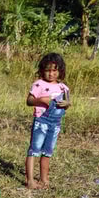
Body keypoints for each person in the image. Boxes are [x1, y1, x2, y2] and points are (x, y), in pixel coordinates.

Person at [25, 53, 71, 189]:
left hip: (55, 124)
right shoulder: (39, 84)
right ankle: (30, 181)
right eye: (48, 70)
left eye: (54, 70)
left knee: (48, 151)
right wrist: (41, 100)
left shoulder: (63, 88)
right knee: (34, 150)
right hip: (41, 121)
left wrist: (67, 104)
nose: (51, 74)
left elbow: (67, 103)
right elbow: (29, 101)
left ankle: (44, 179)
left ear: (60, 71)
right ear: (42, 70)